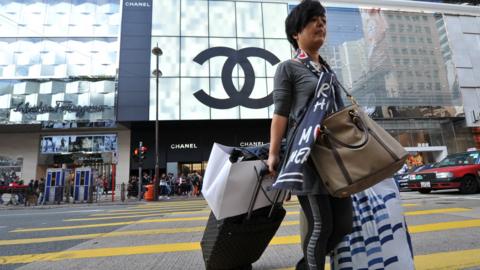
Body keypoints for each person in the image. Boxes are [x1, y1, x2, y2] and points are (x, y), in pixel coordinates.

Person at [266, 1, 353, 269]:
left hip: (336, 156)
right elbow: (280, 114)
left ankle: (305, 266)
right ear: (296, 33)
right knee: (320, 225)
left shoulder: (328, 71)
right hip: (309, 157)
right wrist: (274, 153)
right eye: (313, 20)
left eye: (324, 20)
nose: (321, 24)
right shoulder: (288, 68)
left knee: (343, 225)